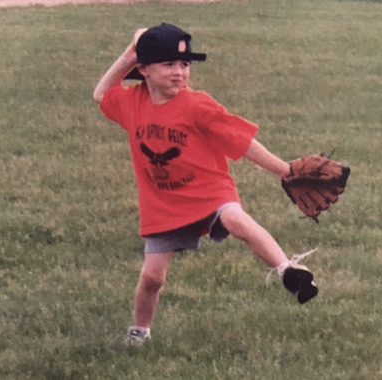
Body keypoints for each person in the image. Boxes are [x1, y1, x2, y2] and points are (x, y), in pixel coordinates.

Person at [93, 23, 318, 345]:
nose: (179, 72)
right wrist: (129, 54)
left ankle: (287, 270)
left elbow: (243, 143)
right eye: (168, 64)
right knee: (152, 278)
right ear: (143, 70)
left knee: (235, 219)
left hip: (208, 190)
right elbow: (100, 94)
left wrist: (285, 170)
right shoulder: (133, 103)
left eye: (184, 64)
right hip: (163, 204)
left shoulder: (198, 105)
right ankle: (140, 331)